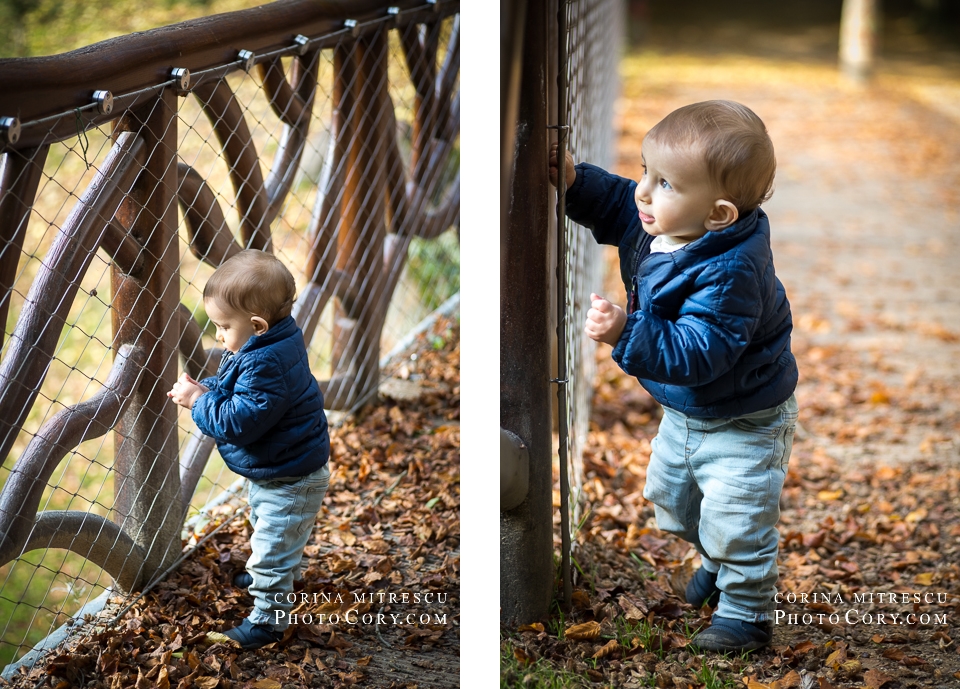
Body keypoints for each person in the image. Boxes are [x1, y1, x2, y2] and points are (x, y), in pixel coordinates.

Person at [550, 100, 799, 652]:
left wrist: (626, 332)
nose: (642, 190)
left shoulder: (732, 271)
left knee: (738, 515)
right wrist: (574, 182)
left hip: (745, 419)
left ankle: (746, 613)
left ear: (719, 215)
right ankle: (716, 555)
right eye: (645, 169)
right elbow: (617, 202)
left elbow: (700, 352)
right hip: (687, 410)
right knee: (675, 502)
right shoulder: (664, 223)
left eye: (663, 182)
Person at [168, 249, 331, 650]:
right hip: (281, 468)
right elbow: (240, 388)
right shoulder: (271, 341)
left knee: (270, 549)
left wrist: (198, 402)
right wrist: (209, 389)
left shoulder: (265, 362)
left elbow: (239, 422)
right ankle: (274, 573)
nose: (218, 335)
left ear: (257, 324)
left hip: (290, 478)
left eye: (223, 326)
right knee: (269, 532)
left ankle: (267, 623)